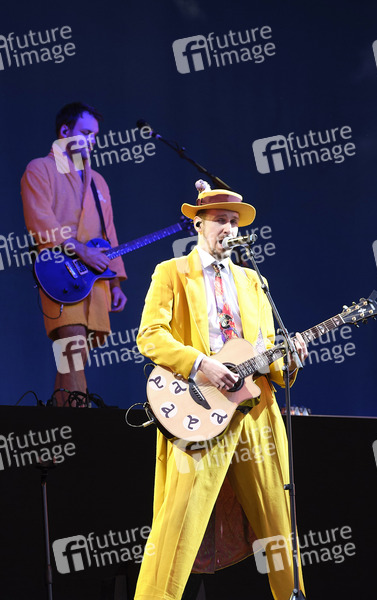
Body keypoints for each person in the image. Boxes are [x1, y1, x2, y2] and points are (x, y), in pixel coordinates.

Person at [134, 184, 308, 600]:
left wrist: (291, 359)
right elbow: (150, 335)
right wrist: (200, 363)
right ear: (199, 224)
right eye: (220, 220)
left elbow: (269, 352)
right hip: (200, 408)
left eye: (234, 222)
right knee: (179, 520)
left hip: (256, 411)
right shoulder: (171, 272)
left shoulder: (254, 281)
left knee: (279, 522)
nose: (229, 228)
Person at [21, 102, 127, 407]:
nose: (92, 141)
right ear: (65, 131)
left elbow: (109, 233)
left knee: (74, 356)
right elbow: (40, 221)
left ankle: (62, 421)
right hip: (59, 271)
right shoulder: (39, 168)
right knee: (73, 346)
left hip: (95, 278)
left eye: (94, 135)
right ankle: (79, 420)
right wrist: (80, 250)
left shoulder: (98, 182)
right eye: (85, 133)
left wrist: (116, 282)